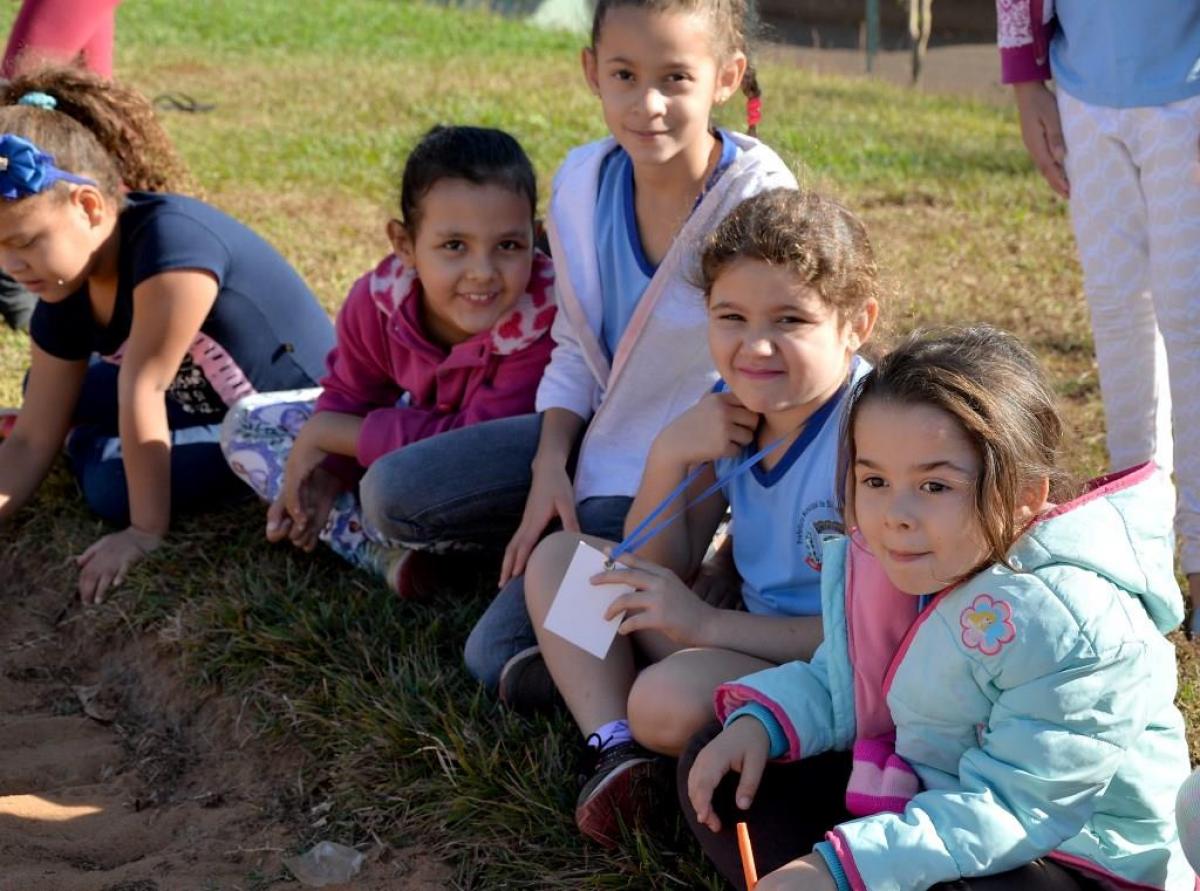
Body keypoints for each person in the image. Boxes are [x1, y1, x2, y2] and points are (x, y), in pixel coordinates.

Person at [374, 0, 795, 696]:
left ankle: (649, 594)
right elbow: (573, 344)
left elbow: (780, 386)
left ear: (726, 77)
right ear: (592, 71)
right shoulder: (581, 183)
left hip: (673, 482)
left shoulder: (759, 203)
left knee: (499, 656)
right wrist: (549, 464)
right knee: (390, 496)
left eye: (675, 78)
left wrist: (729, 556)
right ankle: (561, 553)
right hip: (591, 443)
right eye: (625, 75)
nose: (647, 103)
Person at [682, 326, 1193, 891]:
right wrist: (763, 724)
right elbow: (846, 682)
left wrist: (839, 869)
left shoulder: (1074, 625)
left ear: (1024, 496)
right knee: (724, 761)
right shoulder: (906, 564)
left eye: (934, 486)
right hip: (930, 798)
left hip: (1073, 857)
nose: (895, 514)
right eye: (875, 479)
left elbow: (1016, 809)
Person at [521, 188, 879, 846]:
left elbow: (871, 637)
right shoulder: (734, 404)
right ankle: (616, 750)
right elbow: (656, 564)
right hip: (740, 638)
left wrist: (706, 623)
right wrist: (670, 452)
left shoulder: (872, 438)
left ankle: (608, 689)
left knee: (663, 699)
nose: (756, 346)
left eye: (790, 320)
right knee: (561, 563)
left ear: (857, 322)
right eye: (731, 317)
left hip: (833, 672)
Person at [0, 65, 335, 603]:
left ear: (88, 206)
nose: (11, 266)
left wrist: (143, 532)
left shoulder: (171, 245)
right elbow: (30, 438)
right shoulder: (65, 286)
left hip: (284, 420)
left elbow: (145, 387)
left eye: (24, 242)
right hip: (193, 395)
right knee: (44, 394)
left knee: (111, 484)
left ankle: (87, 443)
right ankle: (86, 435)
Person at [220, 125, 555, 590]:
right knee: (248, 423)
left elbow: (474, 448)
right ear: (404, 244)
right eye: (454, 246)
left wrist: (337, 435)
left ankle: (411, 542)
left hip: (494, 485)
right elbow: (349, 395)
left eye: (509, 246)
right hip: (410, 436)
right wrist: (329, 470)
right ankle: (385, 551)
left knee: (388, 491)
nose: (483, 272)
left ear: (534, 240)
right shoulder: (378, 303)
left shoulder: (544, 324)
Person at [996, 1, 1200, 630]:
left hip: (1187, 98)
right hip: (1081, 94)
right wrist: (1027, 82)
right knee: (1117, 315)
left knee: (1191, 319)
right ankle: (1133, 545)